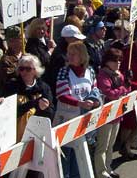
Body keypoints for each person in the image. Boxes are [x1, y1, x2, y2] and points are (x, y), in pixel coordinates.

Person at [53, 41, 100, 178]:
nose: (70, 56)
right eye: (69, 53)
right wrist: (80, 103)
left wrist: (94, 101)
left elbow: (94, 89)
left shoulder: (90, 71)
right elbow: (62, 95)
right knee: (65, 155)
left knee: (80, 154)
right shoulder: (64, 71)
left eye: (73, 54)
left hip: (84, 120)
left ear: (82, 56)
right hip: (67, 119)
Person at [95, 49, 129, 178]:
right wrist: (123, 87)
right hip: (106, 115)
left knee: (111, 145)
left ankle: (108, 168)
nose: (118, 63)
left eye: (119, 60)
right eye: (114, 60)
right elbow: (109, 93)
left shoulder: (118, 74)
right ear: (107, 61)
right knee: (102, 146)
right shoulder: (103, 75)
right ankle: (100, 171)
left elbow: (125, 91)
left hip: (117, 113)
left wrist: (127, 83)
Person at [3, 54, 54, 142]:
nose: (24, 72)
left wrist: (44, 107)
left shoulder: (44, 87)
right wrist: (34, 103)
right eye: (21, 69)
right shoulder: (11, 87)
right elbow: (9, 113)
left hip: (38, 134)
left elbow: (51, 112)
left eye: (28, 69)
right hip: (15, 135)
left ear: (35, 70)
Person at [43, 25, 86, 99]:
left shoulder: (68, 52)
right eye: (76, 39)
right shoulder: (61, 56)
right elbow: (56, 79)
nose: (80, 41)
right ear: (67, 39)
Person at [0, 25, 24, 93]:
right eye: (11, 41)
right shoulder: (6, 60)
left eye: (20, 39)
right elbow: (9, 80)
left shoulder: (27, 56)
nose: (14, 43)